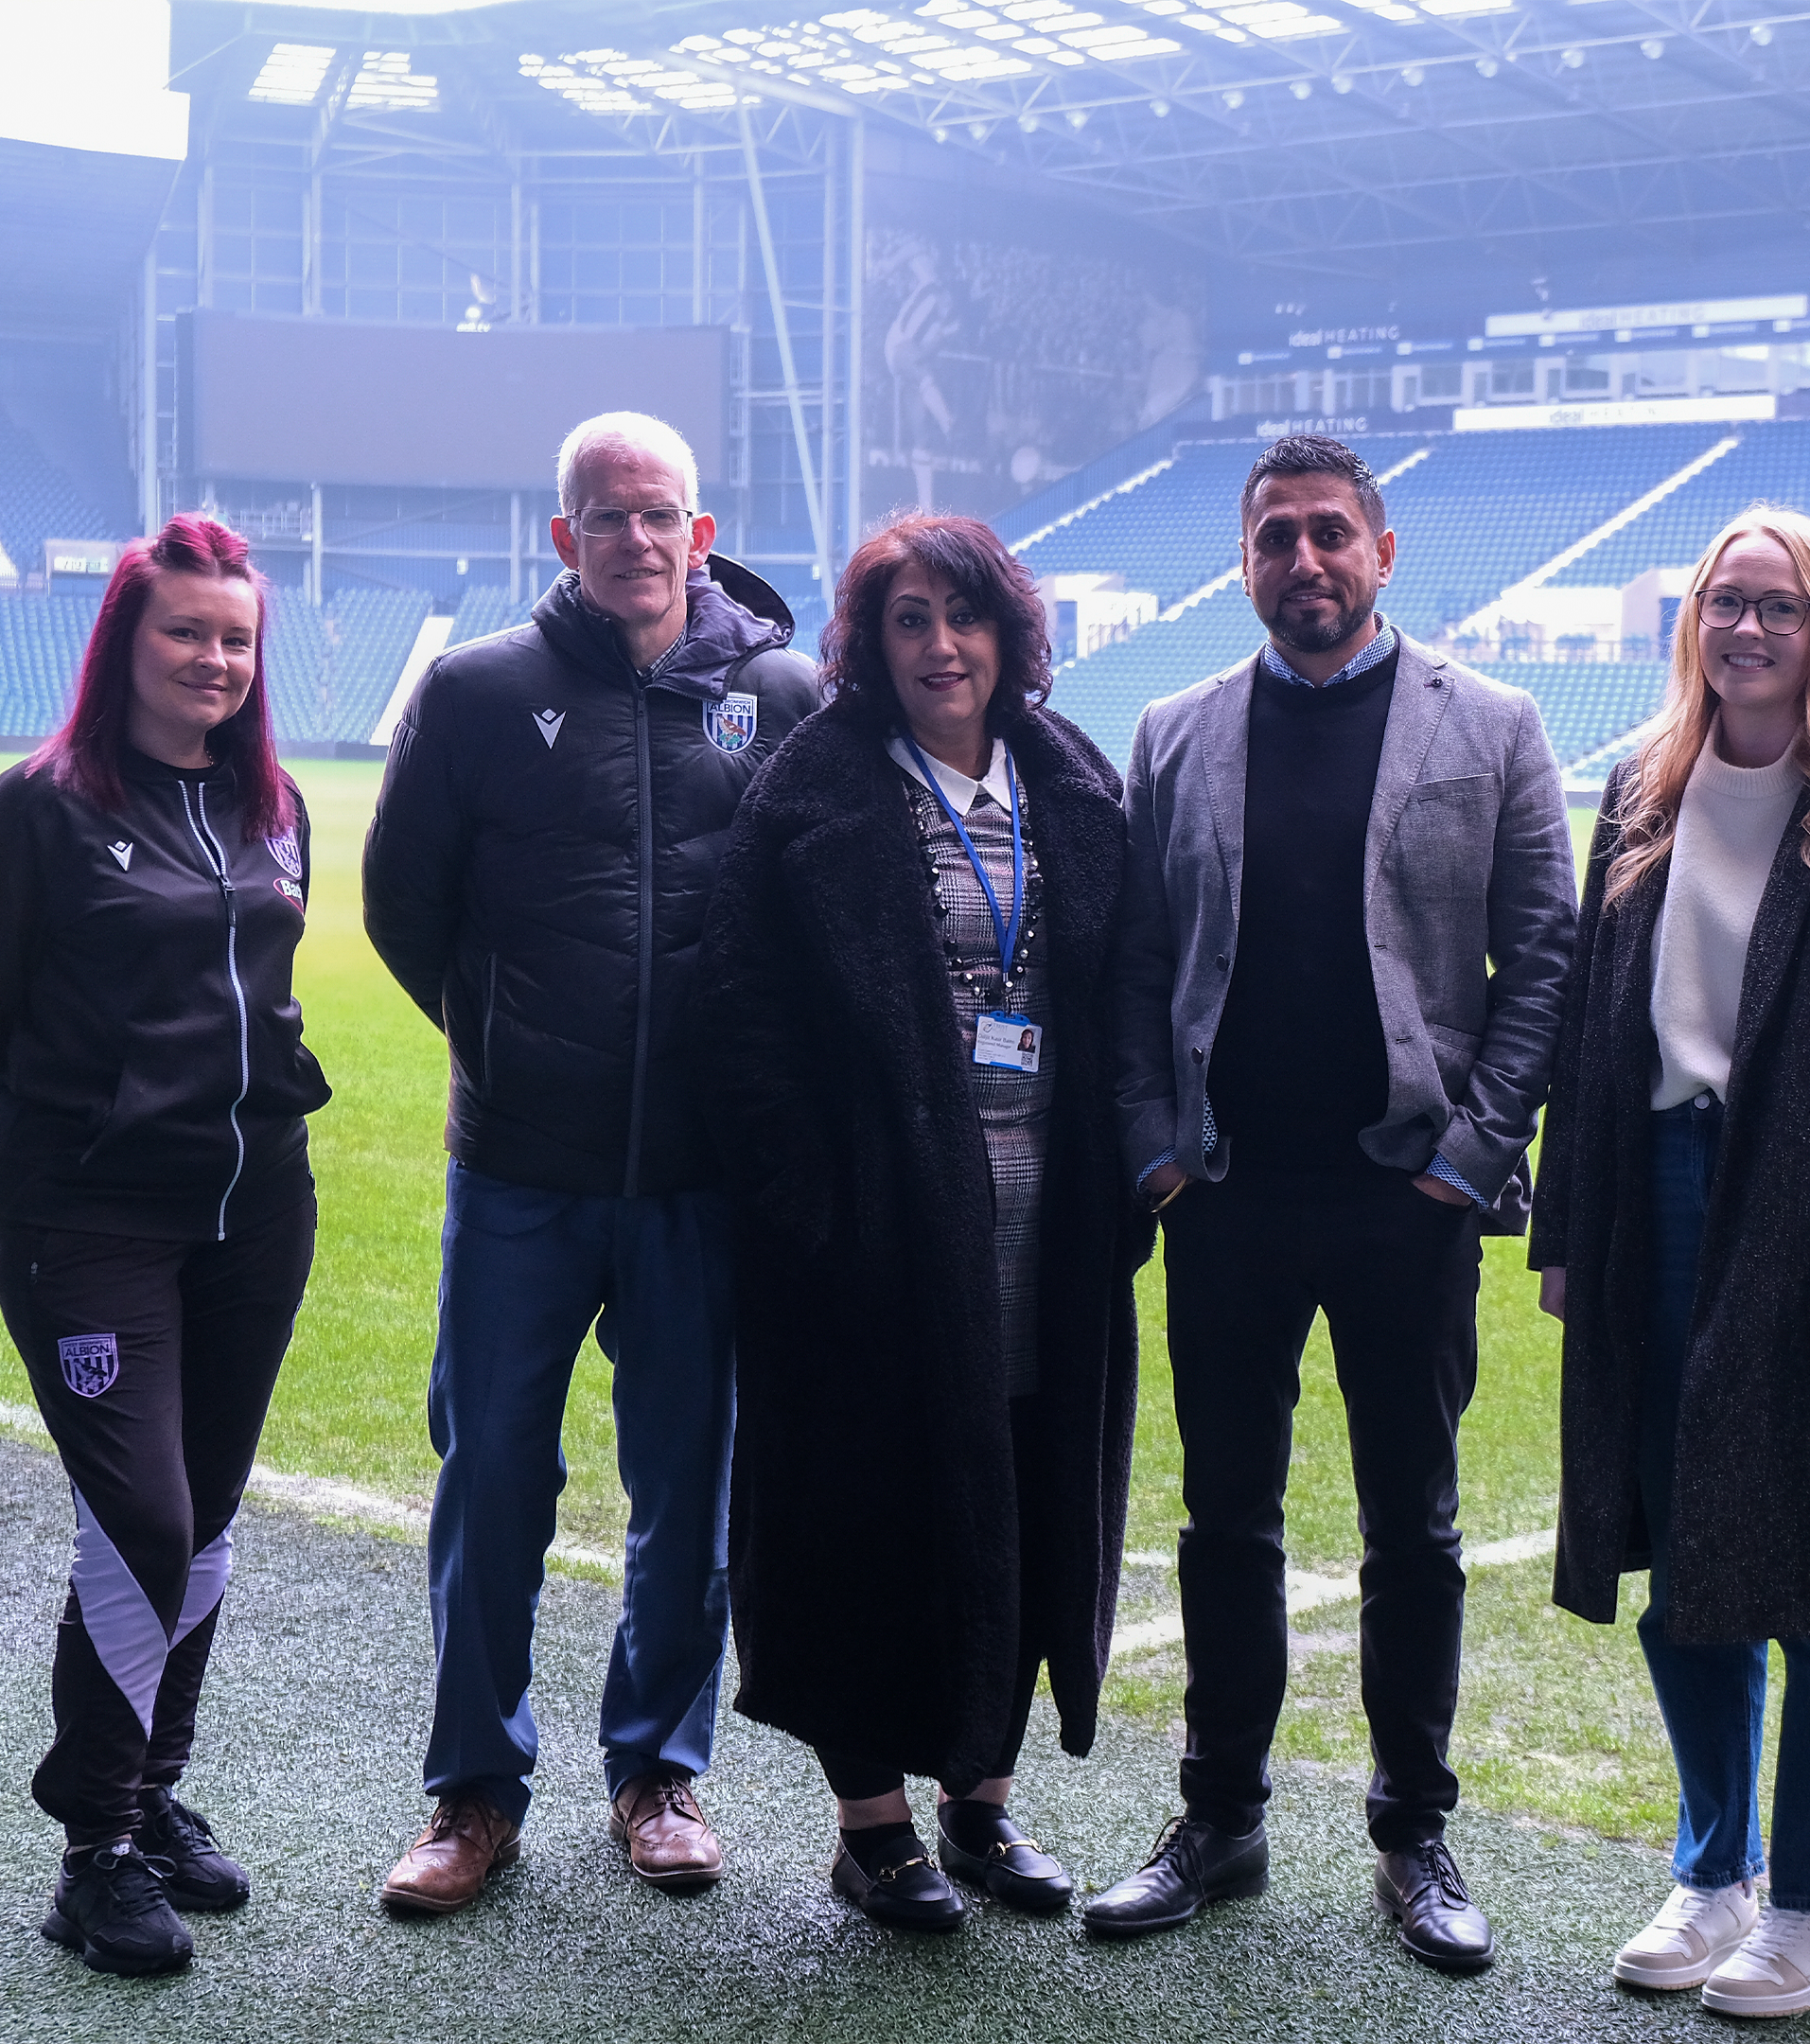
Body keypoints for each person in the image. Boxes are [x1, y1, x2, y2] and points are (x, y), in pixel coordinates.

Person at [1092, 434, 1574, 1971]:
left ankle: (1412, 1832)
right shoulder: (1173, 731)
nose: (1304, 563)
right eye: (1275, 540)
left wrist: (1469, 1161)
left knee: (1411, 1532)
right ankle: (1219, 1819)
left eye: (1329, 537)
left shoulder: (1492, 727)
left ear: (1382, 548)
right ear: (1244, 560)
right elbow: (1131, 967)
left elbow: (1544, 961)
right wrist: (1159, 1154)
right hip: (1225, 1193)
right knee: (1223, 1520)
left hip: (1404, 1198)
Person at [362, 412, 818, 1915]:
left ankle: (656, 1773)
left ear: (702, 532)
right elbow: (403, 911)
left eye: (662, 514)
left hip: (699, 1181)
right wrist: (505, 1045)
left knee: (687, 1490)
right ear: (564, 537)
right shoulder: (483, 691)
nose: (636, 538)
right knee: (493, 1478)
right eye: (605, 515)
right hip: (518, 1176)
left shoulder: (780, 693)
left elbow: (815, 926)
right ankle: (472, 1795)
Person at [1529, 508, 1810, 2018]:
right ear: (1694, 624)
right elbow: (1594, 1031)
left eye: (1779, 606)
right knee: (1683, 1552)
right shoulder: (1643, 791)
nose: (1750, 630)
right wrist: (1568, 1231)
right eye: (1727, 603)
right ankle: (1715, 1872)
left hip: (1808, 1211)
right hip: (1654, 1190)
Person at [694, 513, 1148, 1932]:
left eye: (964, 616)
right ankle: (873, 1823)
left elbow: (1126, 995)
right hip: (873, 1248)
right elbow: (745, 1020)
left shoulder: (1072, 782)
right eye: (907, 619)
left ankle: (982, 1803)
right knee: (869, 1522)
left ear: (1010, 633)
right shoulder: (811, 789)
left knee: (1017, 1501)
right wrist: (814, 1211)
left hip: (1043, 1241)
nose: (939, 646)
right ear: (868, 644)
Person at [0, 516, 328, 1976]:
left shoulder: (275, 808)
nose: (213, 658)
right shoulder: (43, 808)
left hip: (256, 1214)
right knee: (142, 1517)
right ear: (127, 641)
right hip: (90, 1224)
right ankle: (92, 1850)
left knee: (201, 1520)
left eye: (236, 637)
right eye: (186, 631)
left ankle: (148, 1792)